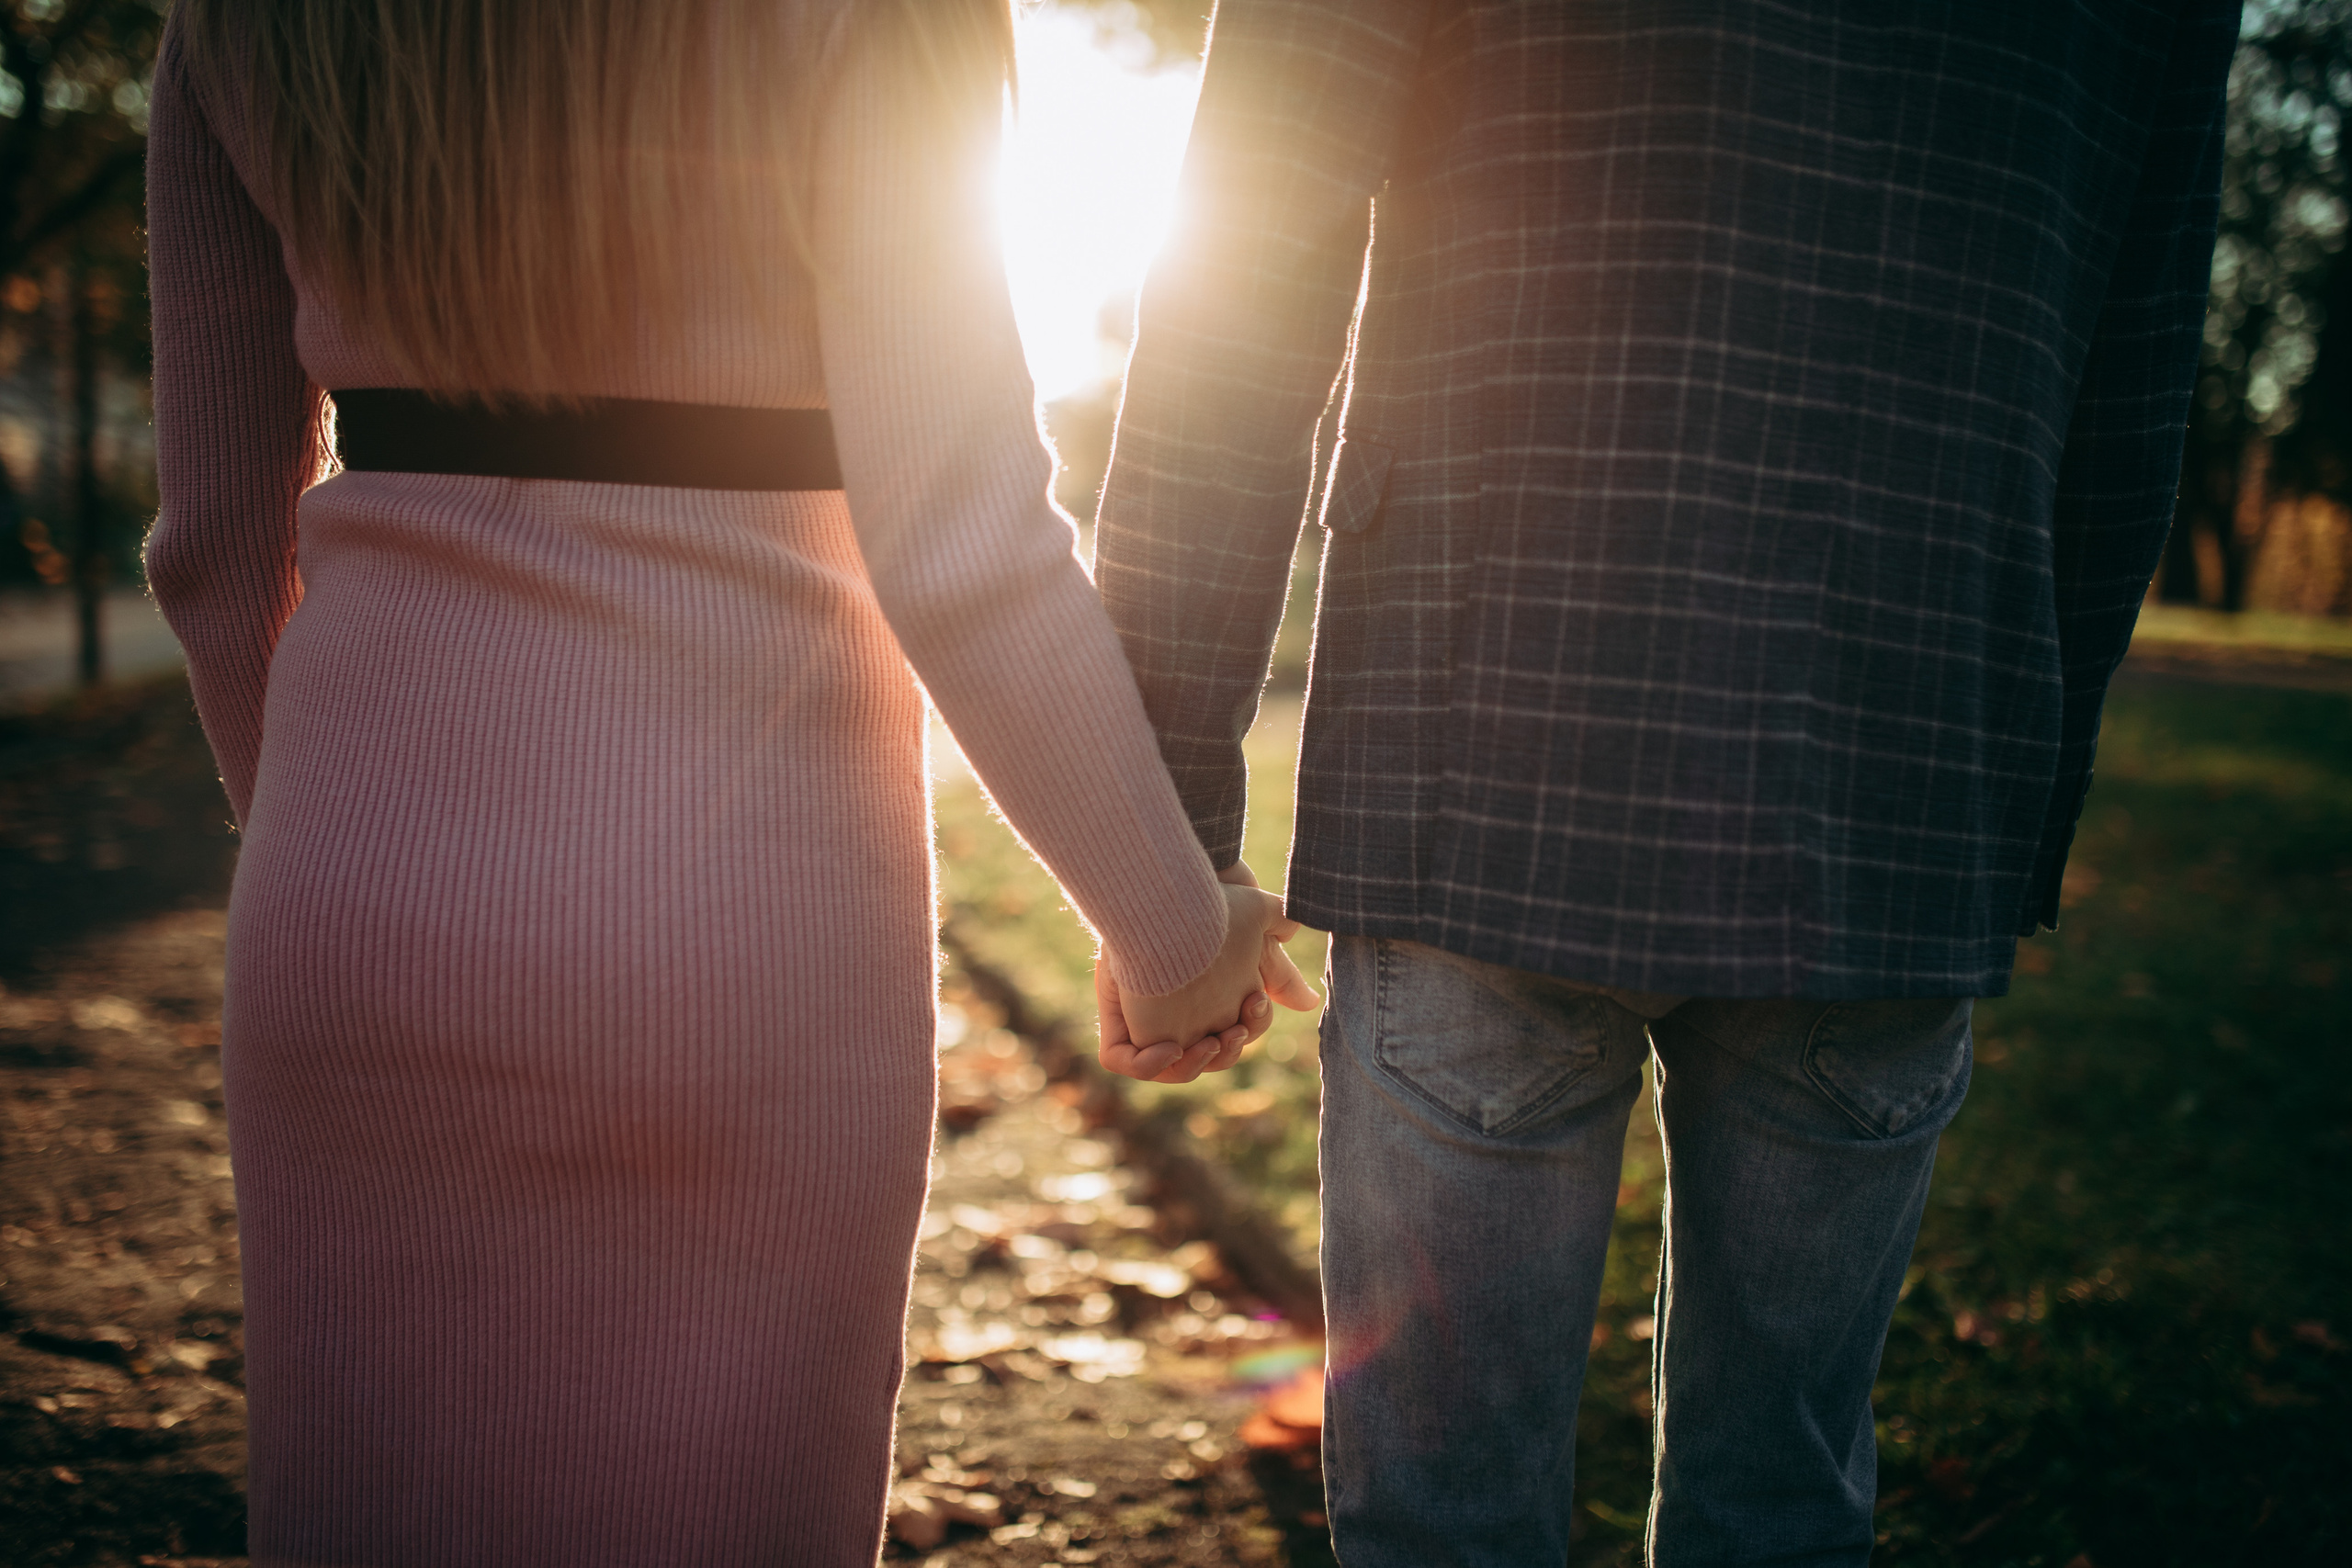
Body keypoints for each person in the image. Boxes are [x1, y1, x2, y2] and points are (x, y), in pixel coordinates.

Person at [144, 1, 1312, 1562]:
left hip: (351, 905)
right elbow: (960, 546)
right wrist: (1176, 935)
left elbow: (215, 555)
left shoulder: (237, 26)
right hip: (748, 914)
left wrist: (326, 848)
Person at [1091, 1, 2235, 1562]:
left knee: (1442, 1525)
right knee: (1780, 1509)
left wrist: (1164, 836)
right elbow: (2132, 381)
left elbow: (1245, 266)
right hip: (1899, 777)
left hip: (1490, 746)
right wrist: (2008, 817)